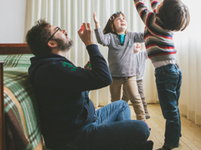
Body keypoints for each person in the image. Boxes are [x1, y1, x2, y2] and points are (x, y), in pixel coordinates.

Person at [26, 19, 154, 150]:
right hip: (77, 137)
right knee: (142, 129)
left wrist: (85, 74)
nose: (64, 31)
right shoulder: (54, 67)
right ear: (51, 43)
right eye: (58, 30)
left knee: (121, 105)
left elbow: (70, 91)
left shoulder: (51, 66)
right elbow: (105, 78)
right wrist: (90, 43)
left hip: (87, 122)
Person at [127, 0, 190, 150]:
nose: (157, 5)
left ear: (161, 13)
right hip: (174, 70)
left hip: (165, 72)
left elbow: (140, 7)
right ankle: (175, 133)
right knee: (173, 108)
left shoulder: (153, 22)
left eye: (160, 5)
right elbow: (156, 7)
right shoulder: (164, 23)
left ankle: (170, 143)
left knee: (169, 111)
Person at [93, 11, 148, 125]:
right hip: (114, 76)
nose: (122, 20)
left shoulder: (131, 36)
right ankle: (117, 122)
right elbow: (101, 40)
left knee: (136, 98)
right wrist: (97, 24)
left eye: (124, 18)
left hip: (130, 75)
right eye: (119, 19)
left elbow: (144, 37)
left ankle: (142, 120)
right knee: (115, 101)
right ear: (112, 25)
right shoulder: (110, 37)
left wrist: (148, 25)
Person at [122, 43, 150, 119]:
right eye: (135, 42)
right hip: (128, 79)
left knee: (141, 95)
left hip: (139, 79)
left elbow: (150, 50)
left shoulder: (143, 53)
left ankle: (145, 111)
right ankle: (120, 111)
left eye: (139, 43)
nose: (138, 44)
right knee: (125, 96)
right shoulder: (126, 54)